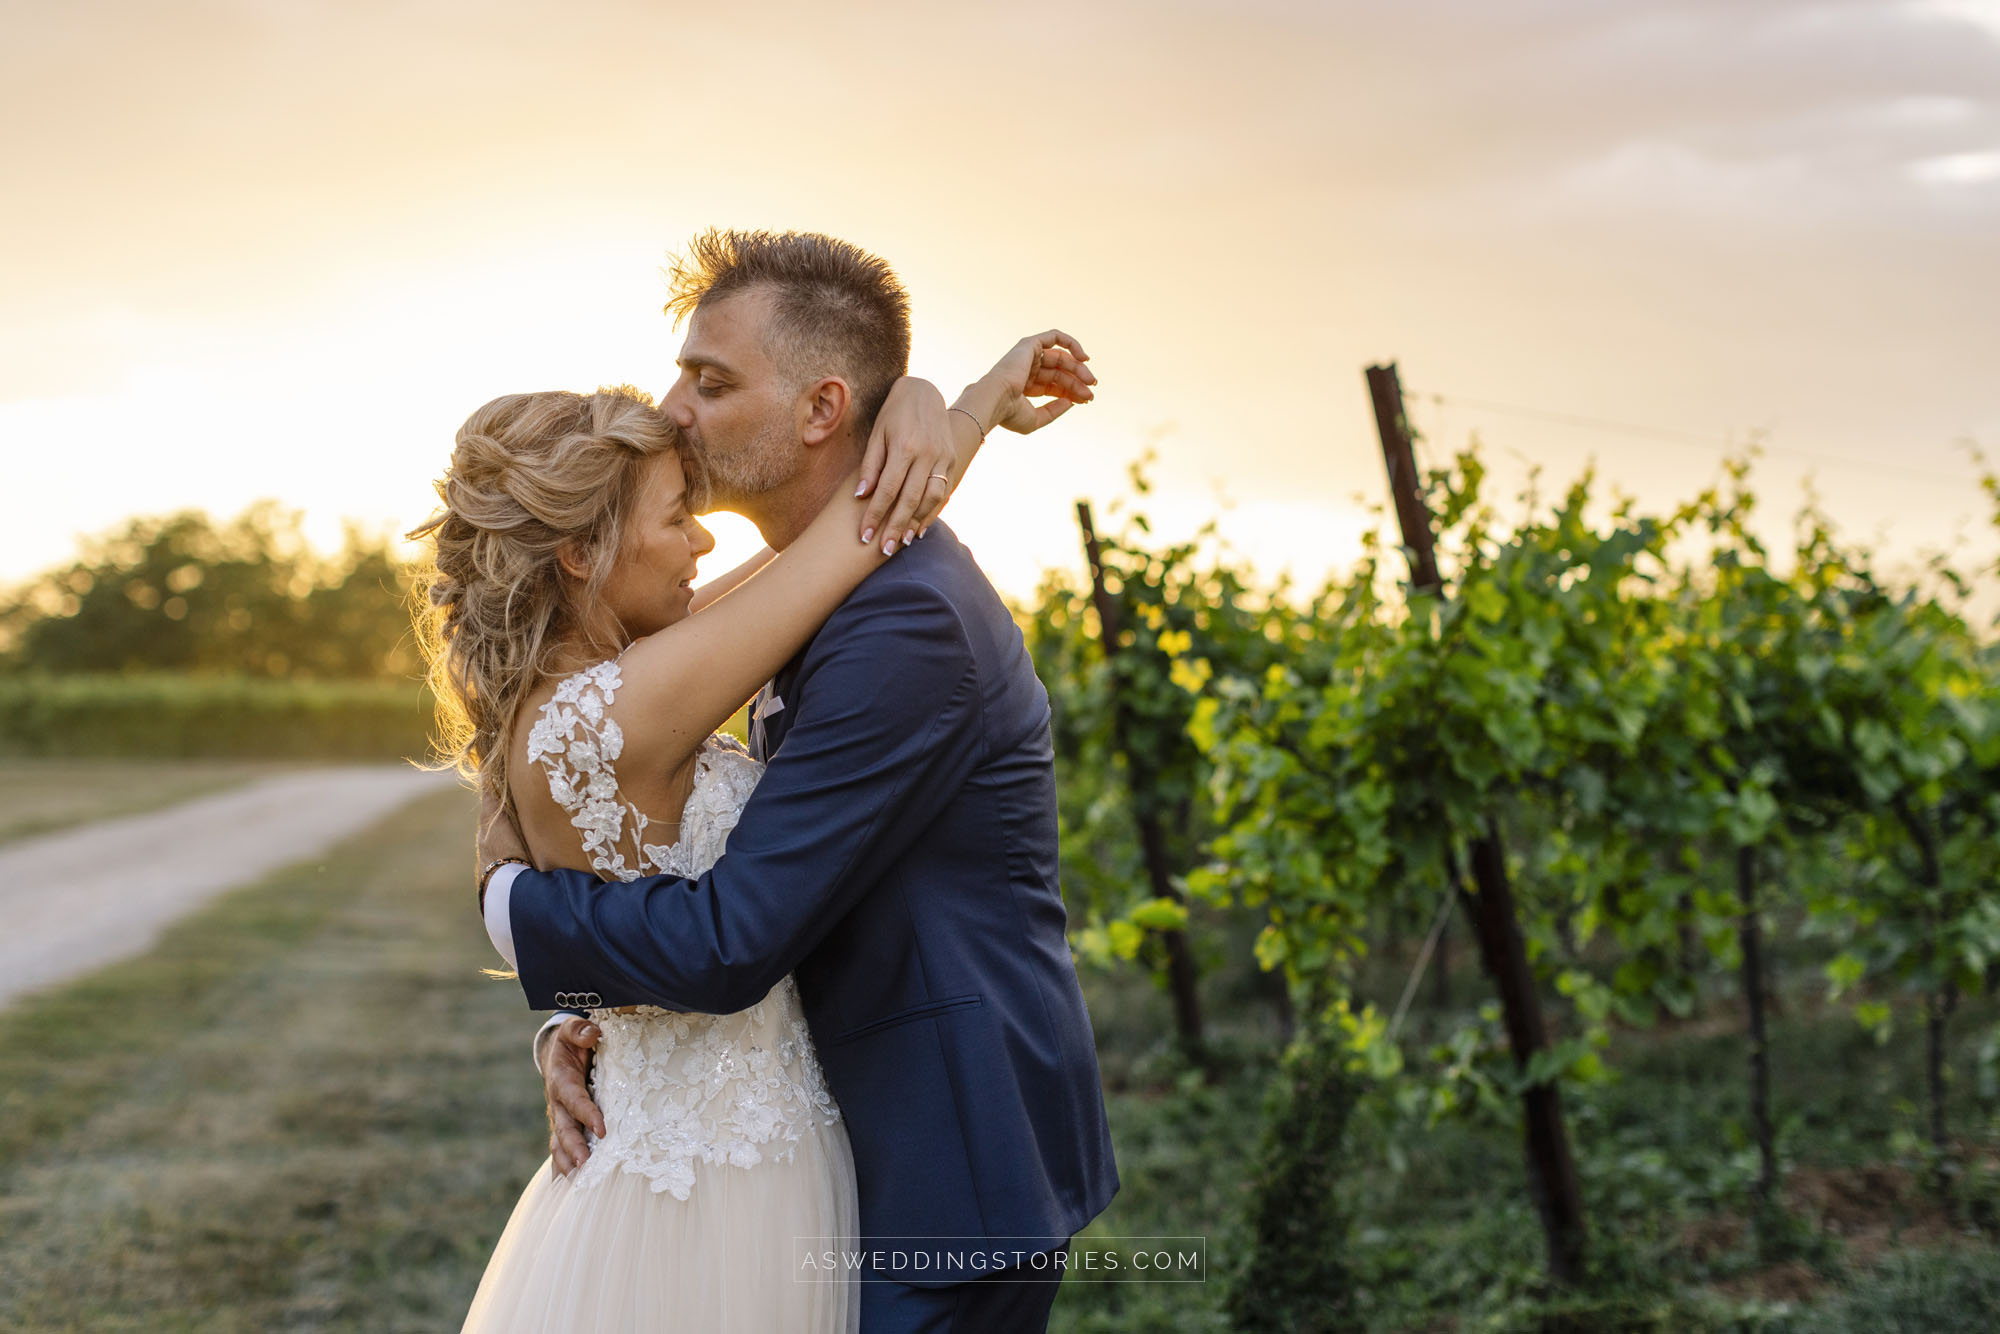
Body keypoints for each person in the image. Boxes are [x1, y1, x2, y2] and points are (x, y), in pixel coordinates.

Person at [475, 229, 1119, 1333]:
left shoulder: (904, 621)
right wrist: (586, 1025)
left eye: (710, 381)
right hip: (821, 1138)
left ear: (821, 409)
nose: (673, 406)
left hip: (944, 1161)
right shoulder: (816, 590)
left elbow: (730, 938)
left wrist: (508, 908)